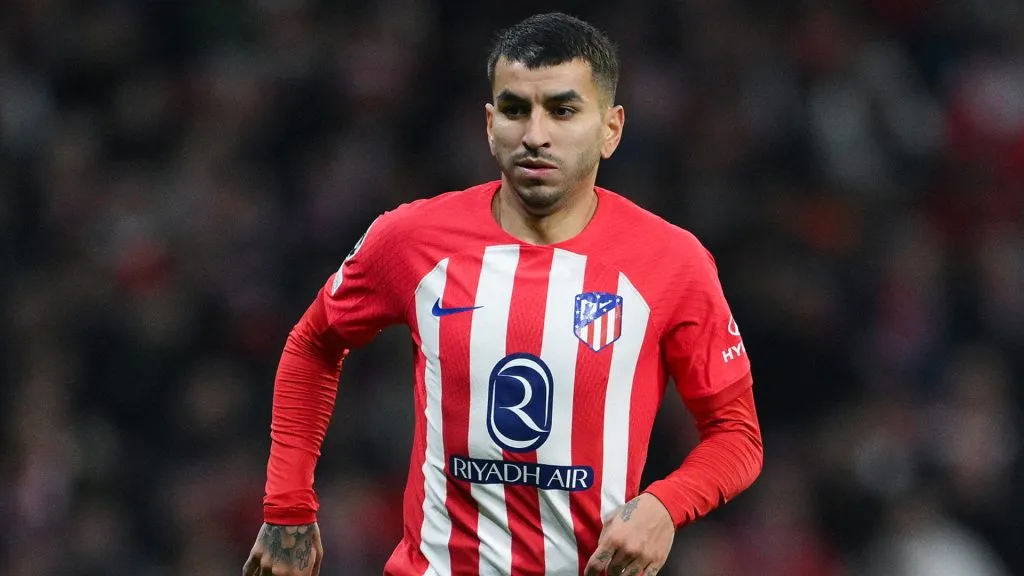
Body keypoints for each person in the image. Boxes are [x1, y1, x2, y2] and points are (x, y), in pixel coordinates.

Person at [242, 11, 763, 576]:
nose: (535, 135)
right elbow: (314, 342)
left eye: (562, 110)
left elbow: (737, 435)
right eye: (515, 110)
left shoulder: (672, 262)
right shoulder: (411, 240)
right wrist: (288, 507)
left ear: (611, 129)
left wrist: (665, 506)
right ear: (490, 125)